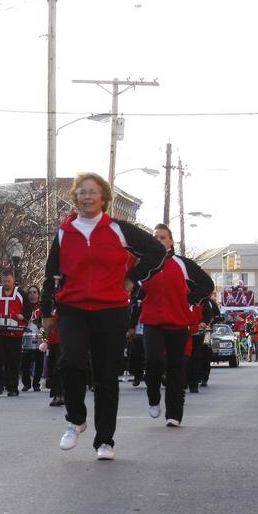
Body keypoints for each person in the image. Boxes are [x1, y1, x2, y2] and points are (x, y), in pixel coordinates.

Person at [41, 173, 166, 461]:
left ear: (104, 198)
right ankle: (76, 419)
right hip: (73, 307)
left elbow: (156, 251)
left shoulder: (119, 230)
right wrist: (47, 311)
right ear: (76, 197)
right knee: (70, 362)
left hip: (110, 309)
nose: (87, 196)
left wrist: (132, 278)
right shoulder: (64, 231)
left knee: (106, 375)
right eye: (82, 192)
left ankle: (105, 441)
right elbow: (52, 272)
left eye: (93, 192)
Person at [134, 224, 213, 427]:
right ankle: (153, 398)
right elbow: (134, 288)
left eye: (163, 237)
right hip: (152, 322)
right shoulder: (144, 264)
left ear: (170, 242)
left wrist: (190, 299)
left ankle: (174, 414)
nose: (159, 240)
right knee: (153, 362)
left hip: (178, 323)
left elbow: (207, 284)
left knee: (176, 368)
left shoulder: (182, 264)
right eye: (155, 237)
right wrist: (137, 297)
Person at [0, 270, 30, 396]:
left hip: (15, 334)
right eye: (4, 281)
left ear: (13, 280)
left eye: (8, 281)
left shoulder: (20, 294)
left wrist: (23, 316)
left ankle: (12, 387)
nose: (6, 283)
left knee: (13, 361)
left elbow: (28, 309)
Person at [20, 285, 44, 392]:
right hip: (26, 335)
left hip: (39, 334)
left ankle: (36, 384)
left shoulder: (42, 306)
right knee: (25, 361)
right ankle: (26, 383)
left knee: (39, 361)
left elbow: (45, 321)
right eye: (30, 292)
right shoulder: (24, 306)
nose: (32, 294)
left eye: (34, 292)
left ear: (38, 294)